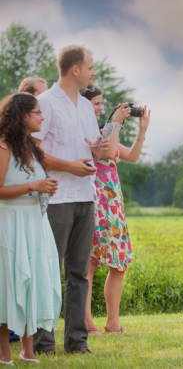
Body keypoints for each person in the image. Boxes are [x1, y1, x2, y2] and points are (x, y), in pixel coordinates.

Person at [32, 45, 108, 355]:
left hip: (85, 198)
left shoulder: (86, 107)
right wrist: (68, 166)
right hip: (56, 198)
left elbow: (90, 150)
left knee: (78, 271)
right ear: (75, 70)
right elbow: (31, 152)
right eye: (90, 67)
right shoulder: (44, 104)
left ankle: (77, 342)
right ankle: (43, 342)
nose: (93, 73)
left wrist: (96, 150)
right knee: (49, 269)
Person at [81, 88, 150, 335]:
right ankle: (88, 324)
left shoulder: (104, 130)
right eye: (96, 103)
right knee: (89, 264)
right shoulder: (85, 132)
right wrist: (115, 121)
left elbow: (130, 155)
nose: (100, 107)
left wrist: (142, 130)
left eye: (101, 104)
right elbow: (107, 152)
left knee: (119, 264)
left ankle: (113, 323)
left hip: (114, 206)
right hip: (95, 202)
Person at [0, 93, 61, 365]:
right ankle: (3, 352)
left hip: (35, 222)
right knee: (9, 283)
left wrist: (46, 187)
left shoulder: (33, 147)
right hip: (10, 224)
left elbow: (35, 183)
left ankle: (28, 350)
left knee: (33, 281)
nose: (42, 117)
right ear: (23, 115)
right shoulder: (3, 147)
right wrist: (32, 187)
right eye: (37, 112)